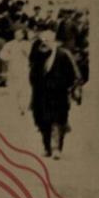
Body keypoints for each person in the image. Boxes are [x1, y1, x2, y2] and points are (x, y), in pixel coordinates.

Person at [30, 26, 81, 159]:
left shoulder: (63, 55)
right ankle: (47, 148)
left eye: (48, 40)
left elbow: (74, 74)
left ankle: (56, 148)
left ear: (54, 41)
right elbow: (32, 74)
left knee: (58, 121)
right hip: (41, 95)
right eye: (43, 40)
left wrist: (69, 88)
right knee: (43, 122)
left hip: (58, 95)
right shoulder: (38, 55)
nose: (45, 42)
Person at [0, 24, 33, 118]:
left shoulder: (28, 44)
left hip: (24, 69)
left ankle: (23, 107)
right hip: (13, 69)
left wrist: (26, 53)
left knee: (24, 89)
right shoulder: (10, 44)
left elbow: (32, 56)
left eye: (19, 34)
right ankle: (15, 108)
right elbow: (2, 54)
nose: (17, 36)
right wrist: (8, 58)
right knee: (13, 89)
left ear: (23, 35)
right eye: (16, 34)